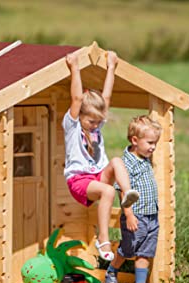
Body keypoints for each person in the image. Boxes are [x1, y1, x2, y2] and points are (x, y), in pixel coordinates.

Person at [62, 51, 139, 262]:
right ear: (81, 117)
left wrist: (111, 67)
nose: (96, 125)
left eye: (98, 122)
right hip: (78, 181)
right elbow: (77, 98)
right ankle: (103, 239)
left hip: (97, 176)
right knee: (106, 191)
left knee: (116, 161)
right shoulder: (72, 126)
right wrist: (74, 67)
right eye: (91, 122)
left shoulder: (96, 124)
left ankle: (126, 195)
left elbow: (106, 98)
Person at [105, 115, 162, 283]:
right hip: (135, 216)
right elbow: (124, 191)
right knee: (128, 249)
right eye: (150, 143)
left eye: (155, 143)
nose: (153, 147)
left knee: (145, 250)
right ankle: (111, 271)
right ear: (135, 140)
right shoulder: (126, 164)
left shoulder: (144, 158)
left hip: (151, 215)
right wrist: (129, 215)